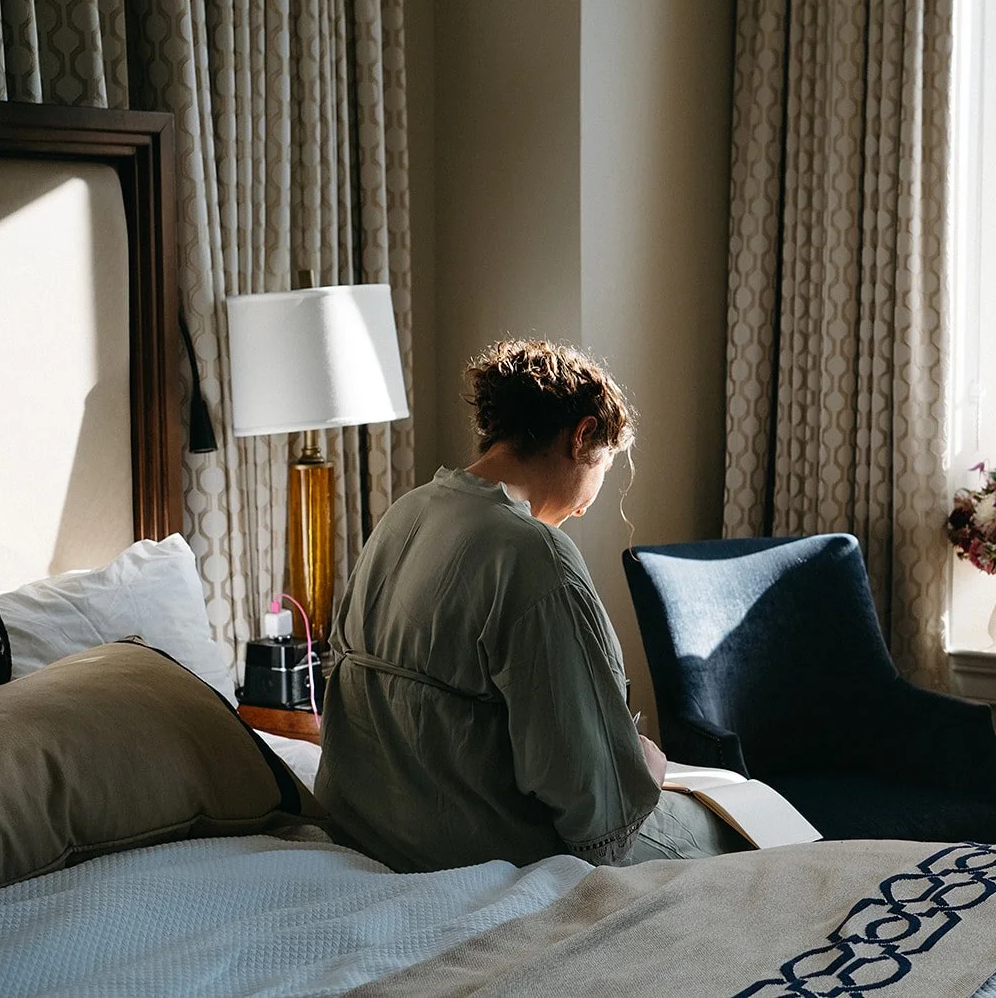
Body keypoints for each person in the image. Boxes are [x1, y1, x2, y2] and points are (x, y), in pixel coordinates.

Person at [314, 338, 746, 870]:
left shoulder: (406, 513)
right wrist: (647, 769)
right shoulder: (535, 554)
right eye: (603, 471)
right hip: (479, 851)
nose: (587, 507)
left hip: (372, 831)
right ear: (583, 434)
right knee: (746, 835)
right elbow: (598, 817)